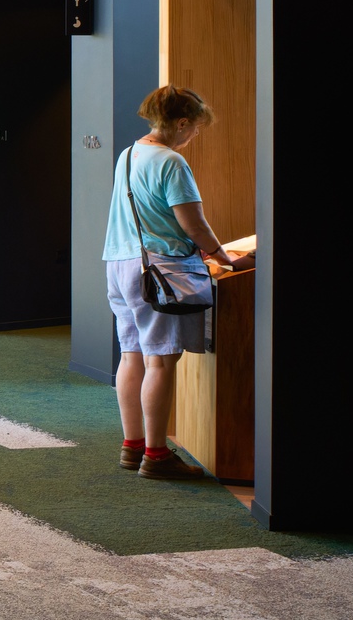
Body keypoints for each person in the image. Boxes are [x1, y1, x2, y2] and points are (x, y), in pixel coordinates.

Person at [102, 85, 250, 481]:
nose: (195, 136)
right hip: (159, 268)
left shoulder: (129, 154)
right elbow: (192, 223)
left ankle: (132, 447)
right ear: (182, 122)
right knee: (161, 362)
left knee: (131, 354)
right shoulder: (171, 162)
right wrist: (224, 257)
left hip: (119, 263)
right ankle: (156, 455)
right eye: (196, 128)